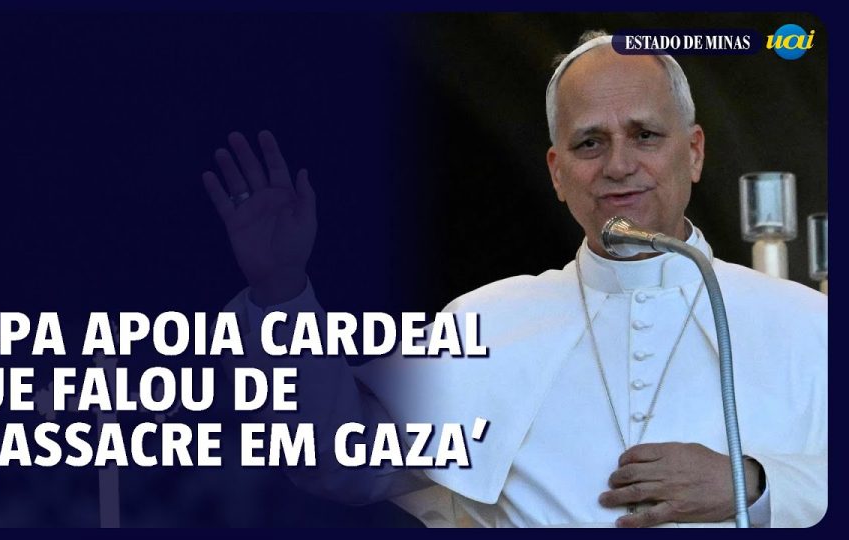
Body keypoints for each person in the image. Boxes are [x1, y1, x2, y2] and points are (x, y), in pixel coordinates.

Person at [201, 31, 827, 527]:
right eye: (589, 143)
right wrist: (280, 290)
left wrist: (753, 484)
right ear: (556, 172)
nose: (618, 164)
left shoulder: (809, 325)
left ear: (693, 152)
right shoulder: (489, 321)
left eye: (644, 135)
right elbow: (341, 460)